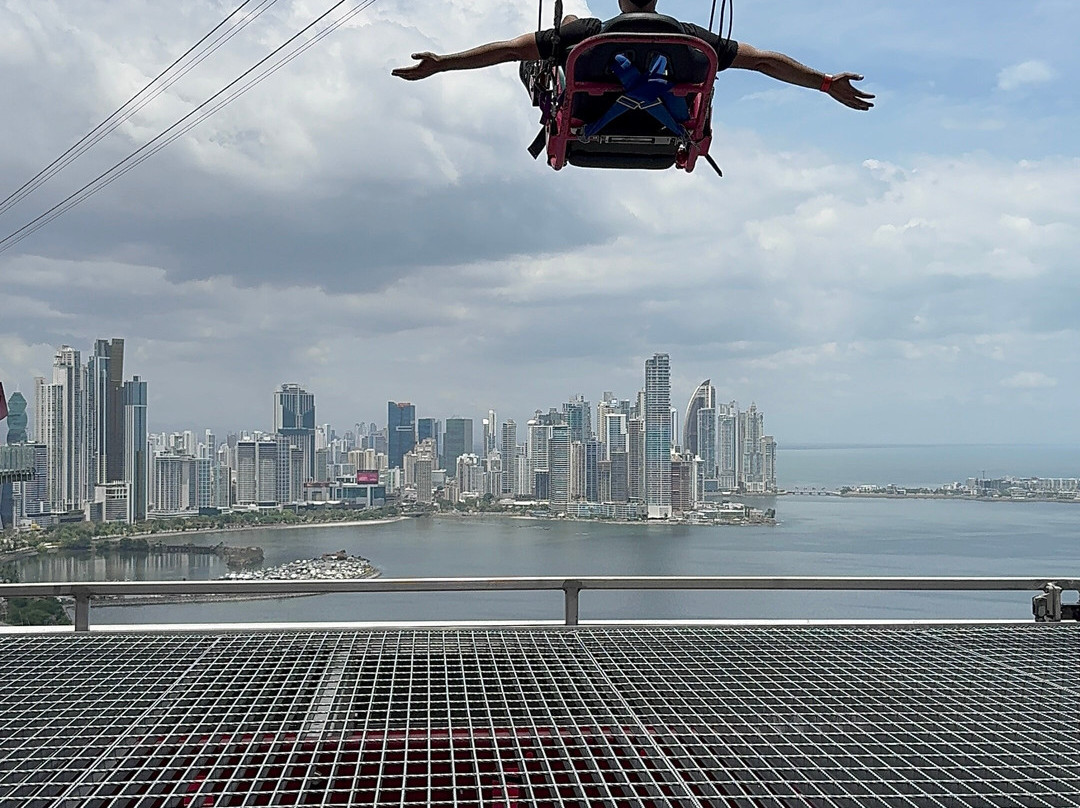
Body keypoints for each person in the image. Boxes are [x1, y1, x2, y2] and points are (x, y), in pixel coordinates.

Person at [392, 0, 874, 112]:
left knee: (550, 41)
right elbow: (766, 60)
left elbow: (505, 50)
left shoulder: (588, 34)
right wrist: (825, 82)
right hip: (667, 121)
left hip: (589, 116)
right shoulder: (692, 40)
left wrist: (442, 63)